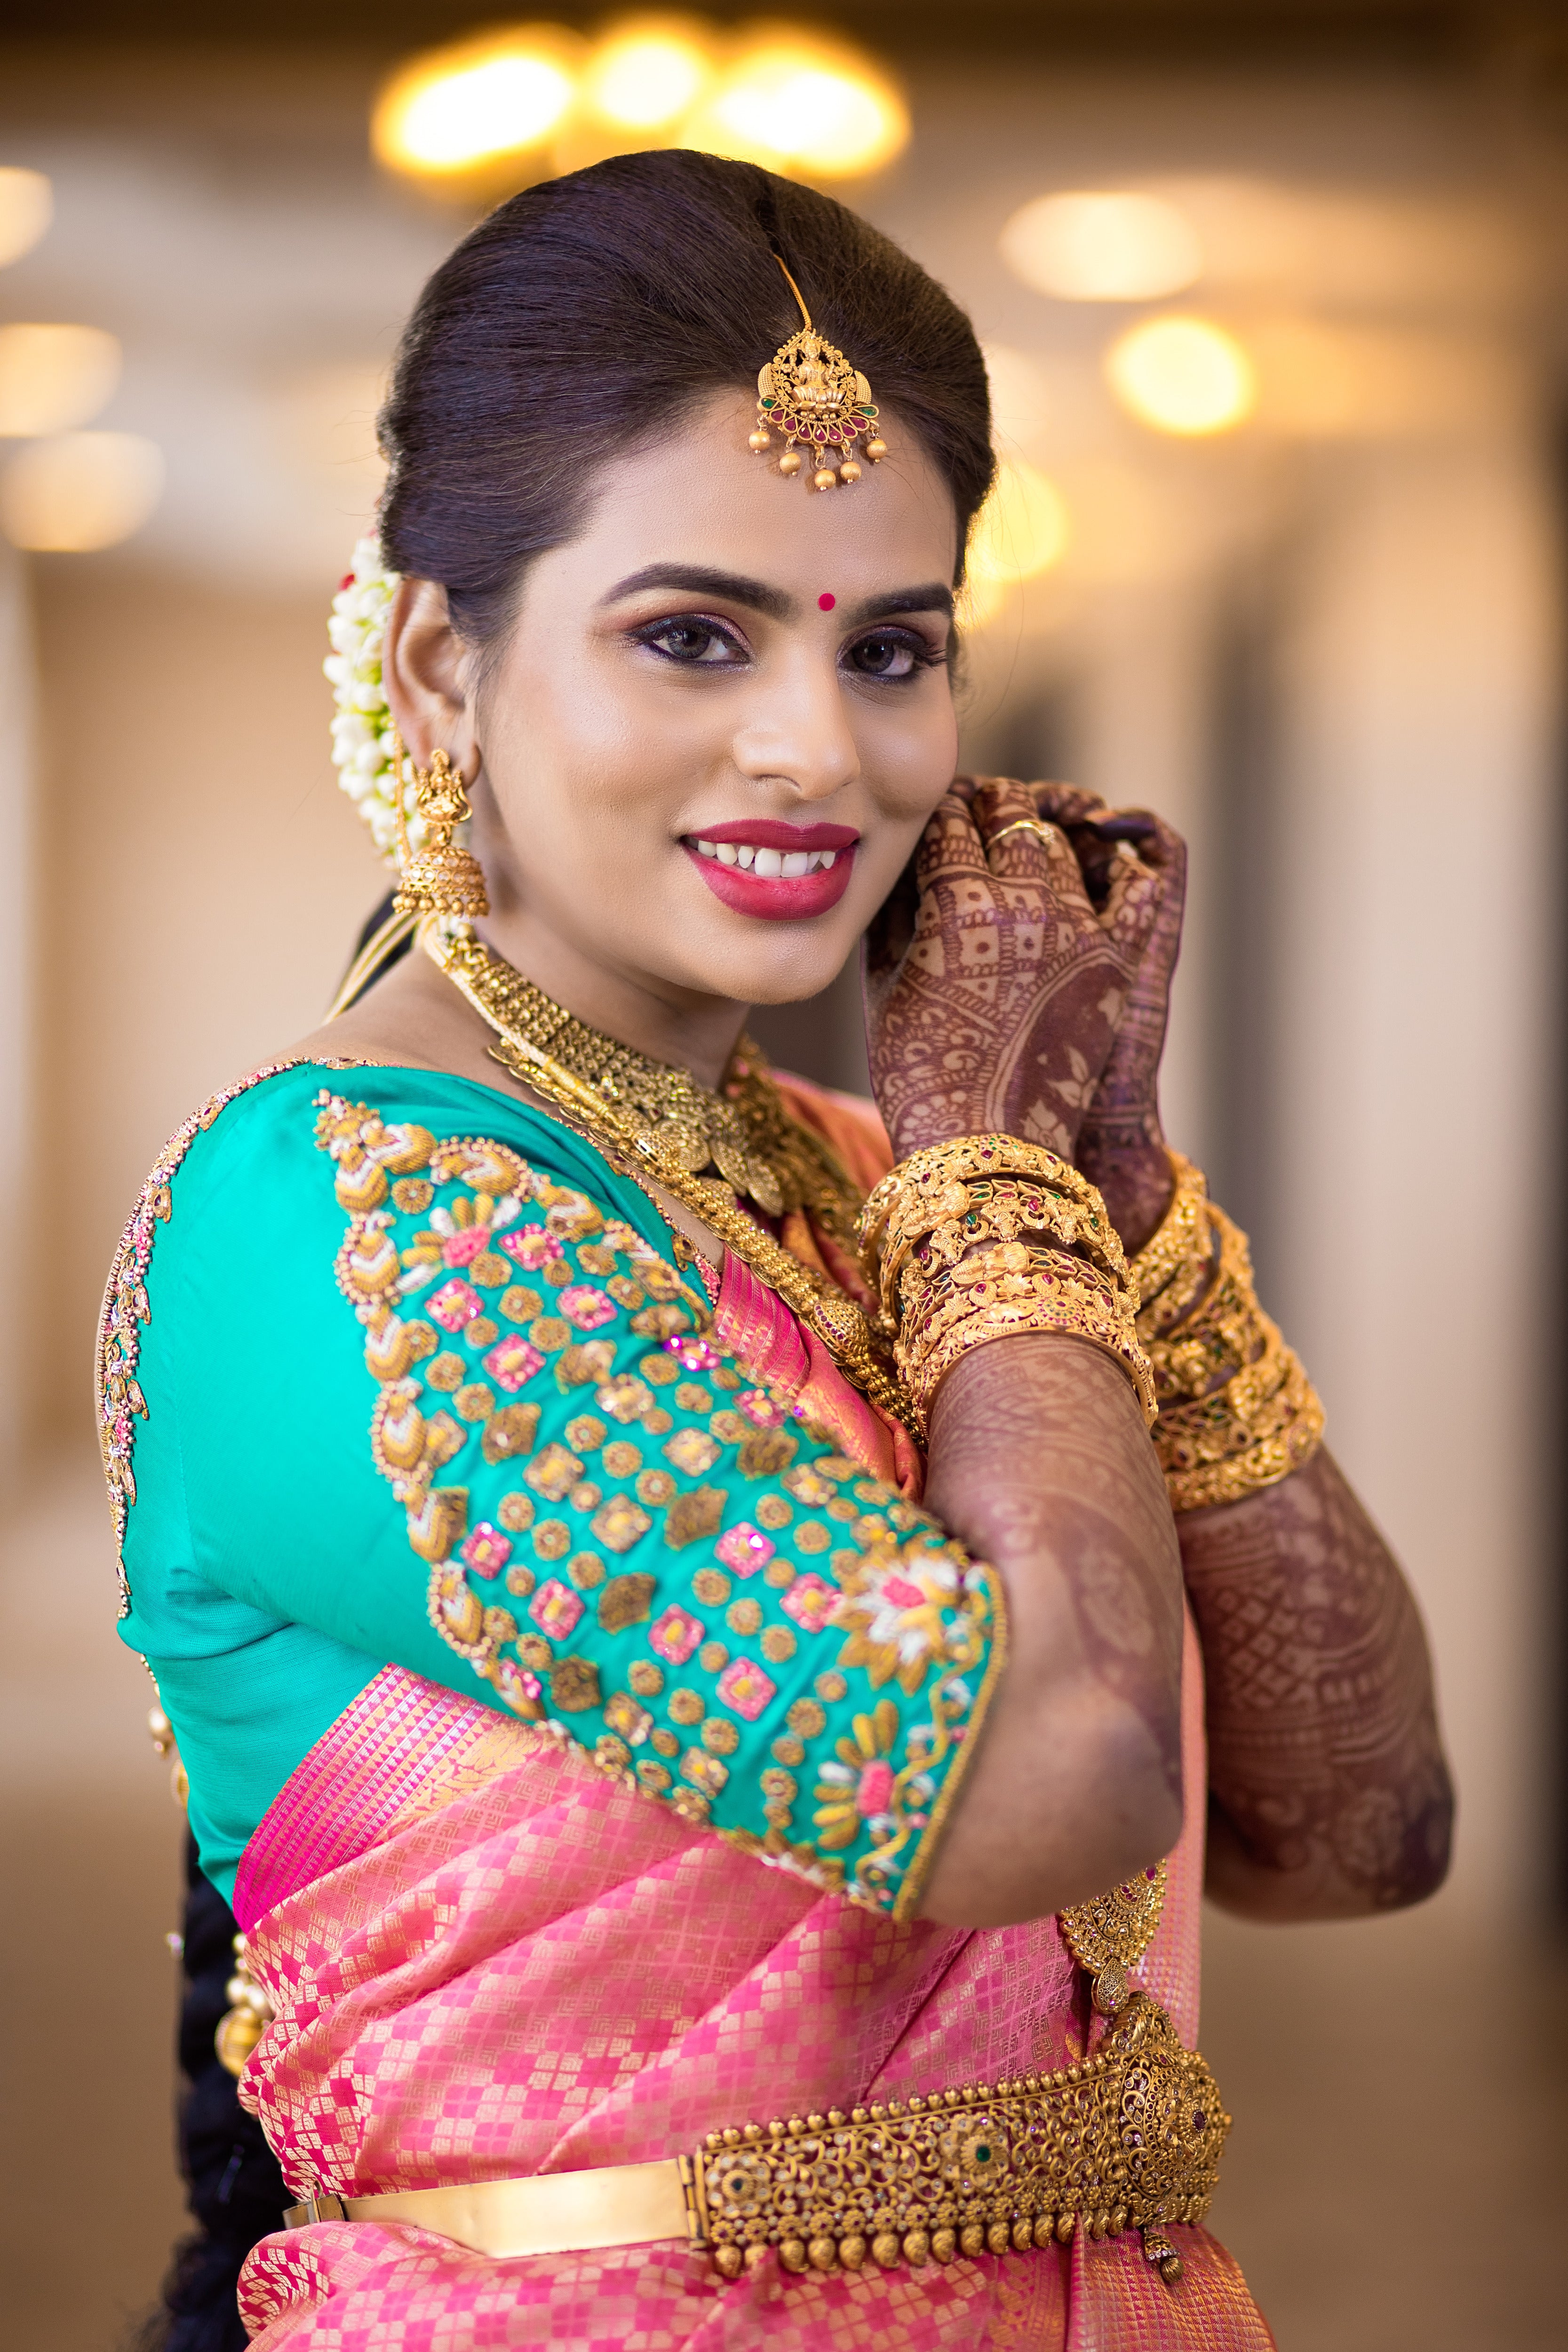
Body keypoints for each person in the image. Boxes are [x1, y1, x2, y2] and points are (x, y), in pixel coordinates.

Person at [100, 149, 1452, 2351]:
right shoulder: (339, 1205)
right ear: (445, 661)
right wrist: (1011, 1181)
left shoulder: (876, 1173)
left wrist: (1112, 1195)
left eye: (892, 647)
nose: (819, 748)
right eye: (692, 633)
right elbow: (1049, 1773)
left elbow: (1362, 1820)